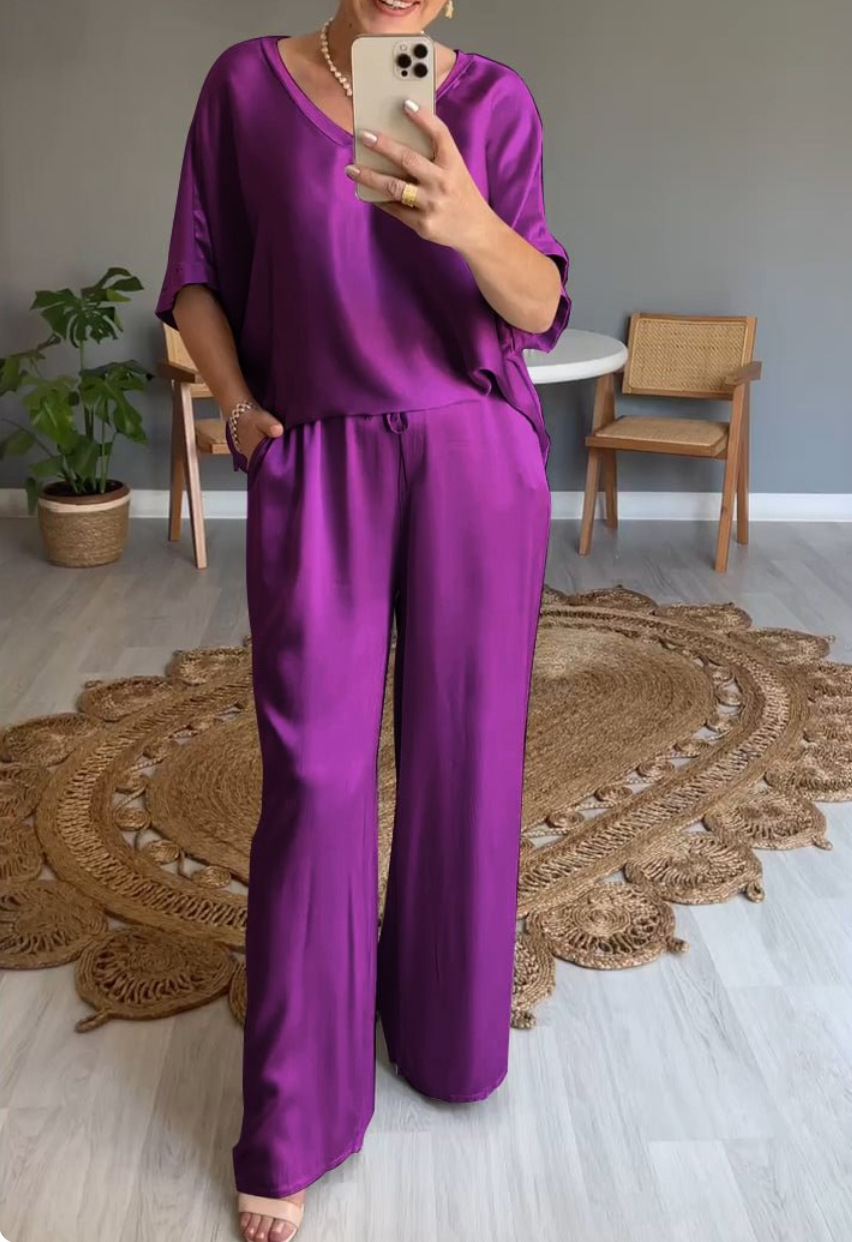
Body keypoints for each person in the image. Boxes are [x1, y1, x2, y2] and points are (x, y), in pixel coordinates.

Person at [155, 3, 570, 1239]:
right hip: (318, 452)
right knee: (316, 778)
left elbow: (539, 303)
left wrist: (468, 220)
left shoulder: (494, 102)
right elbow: (197, 277)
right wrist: (241, 413)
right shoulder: (244, 87)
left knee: (465, 762)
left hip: (472, 451)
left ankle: (445, 1038)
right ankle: (295, 1116)